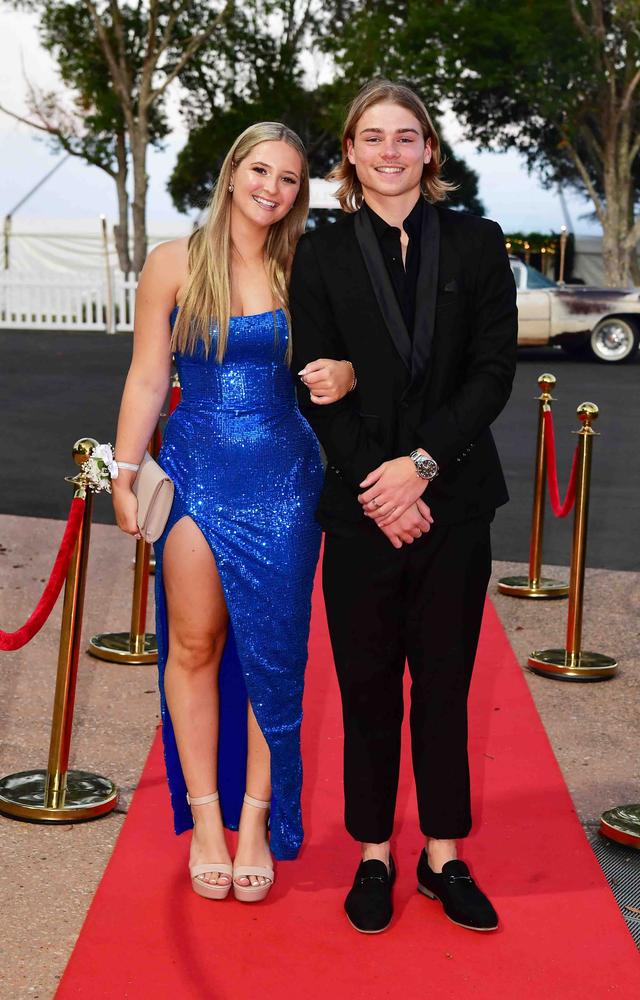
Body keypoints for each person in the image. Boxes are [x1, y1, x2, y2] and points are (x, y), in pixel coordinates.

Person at [290, 81, 518, 933]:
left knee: (447, 684)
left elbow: (491, 373)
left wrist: (418, 467)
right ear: (348, 153)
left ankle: (444, 854)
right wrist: (380, 487)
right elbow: (315, 384)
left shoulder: (477, 243)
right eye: (372, 137)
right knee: (367, 685)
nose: (390, 150)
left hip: (454, 501)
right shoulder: (318, 255)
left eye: (407, 136)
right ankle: (374, 853)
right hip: (360, 510)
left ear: (431, 151)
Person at [112, 122, 354, 903]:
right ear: (232, 172)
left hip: (286, 481)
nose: (272, 189)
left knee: (274, 658)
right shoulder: (174, 263)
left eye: (288, 179)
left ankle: (256, 823)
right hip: (193, 475)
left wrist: (344, 374)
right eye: (261, 170)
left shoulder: (306, 266)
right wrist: (123, 469)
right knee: (193, 642)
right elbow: (149, 377)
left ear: (299, 194)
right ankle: (207, 823)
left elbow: (352, 363)